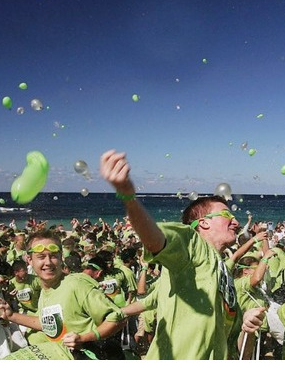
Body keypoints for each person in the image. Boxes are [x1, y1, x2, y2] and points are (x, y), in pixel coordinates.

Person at [99, 149, 242, 359]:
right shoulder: (193, 245)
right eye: (226, 215)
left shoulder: (222, 270)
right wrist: (128, 197)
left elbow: (155, 298)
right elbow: (156, 239)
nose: (236, 221)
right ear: (203, 223)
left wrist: (121, 312)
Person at [3, 229, 127, 360]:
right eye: (41, 257)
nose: (48, 262)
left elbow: (118, 319)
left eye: (53, 256)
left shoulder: (76, 284)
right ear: (29, 259)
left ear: (61, 257)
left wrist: (84, 338)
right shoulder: (46, 290)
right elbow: (46, 323)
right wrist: (10, 315)